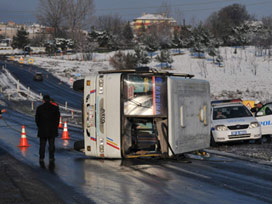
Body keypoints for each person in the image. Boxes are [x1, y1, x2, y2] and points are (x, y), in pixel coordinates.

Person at [35, 95, 60, 163]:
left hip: (42, 129)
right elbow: (57, 119)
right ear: (49, 100)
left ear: (43, 100)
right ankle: (51, 157)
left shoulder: (39, 108)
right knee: (51, 144)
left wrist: (39, 126)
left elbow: (37, 119)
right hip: (52, 129)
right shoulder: (55, 108)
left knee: (42, 144)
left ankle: (41, 157)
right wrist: (55, 126)